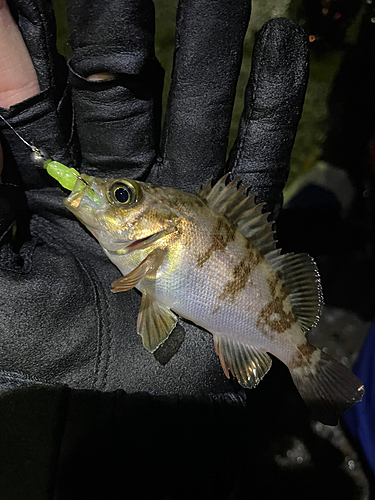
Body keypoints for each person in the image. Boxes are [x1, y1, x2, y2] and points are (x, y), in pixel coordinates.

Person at [0, 0, 368, 498]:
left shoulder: (152, 251)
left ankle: (308, 360)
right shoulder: (140, 247)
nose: (106, 196)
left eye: (122, 195)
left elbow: (158, 302)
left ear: (165, 228)